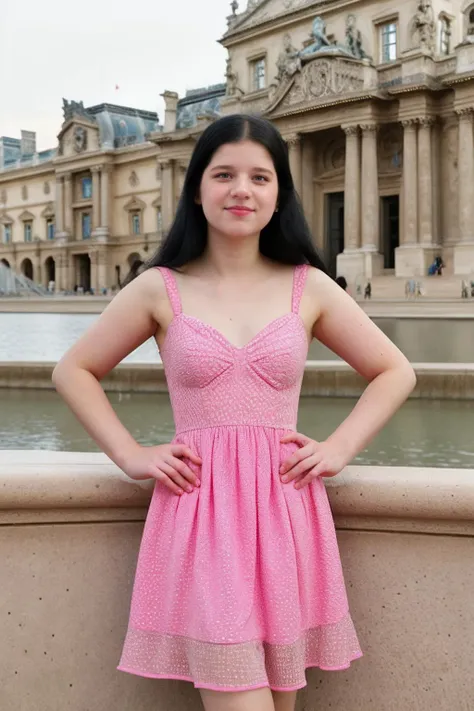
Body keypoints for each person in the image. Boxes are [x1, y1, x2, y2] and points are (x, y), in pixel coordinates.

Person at [52, 114, 416, 711]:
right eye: (223, 174)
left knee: (281, 700)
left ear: (279, 195)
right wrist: (131, 455)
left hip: (286, 511)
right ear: (197, 188)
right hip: (202, 514)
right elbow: (73, 370)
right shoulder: (159, 288)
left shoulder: (310, 286)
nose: (241, 189)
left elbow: (395, 371)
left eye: (259, 177)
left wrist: (340, 448)